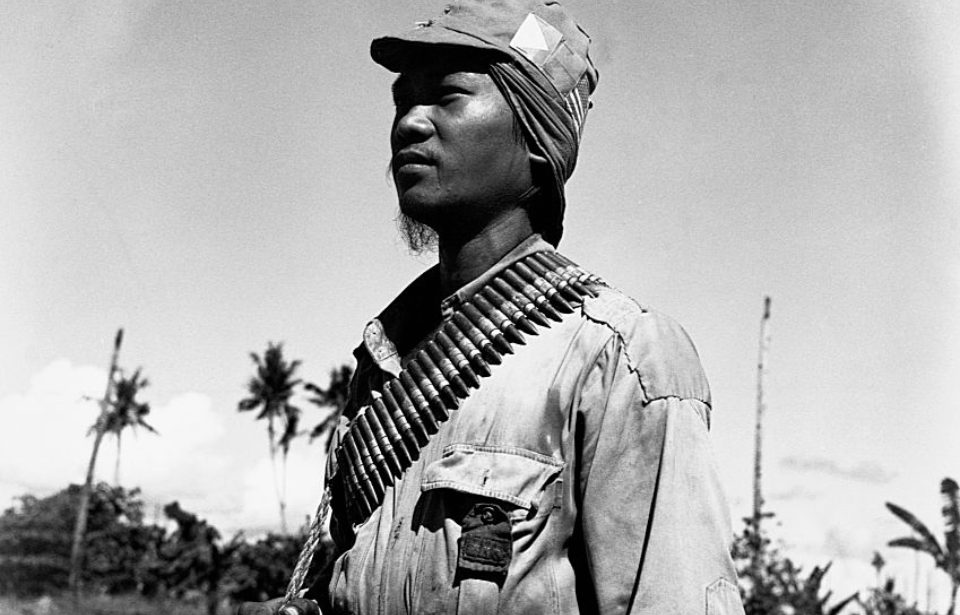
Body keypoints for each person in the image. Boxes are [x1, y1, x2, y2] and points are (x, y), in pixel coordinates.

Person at [240, 1, 745, 613]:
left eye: (449, 96)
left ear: (536, 137)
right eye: (403, 100)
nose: (408, 124)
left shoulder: (619, 357)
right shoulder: (384, 362)